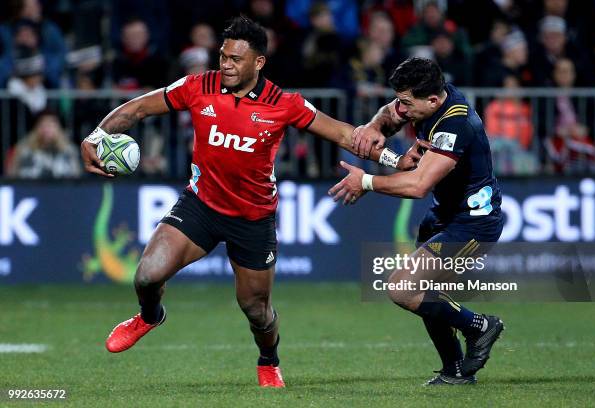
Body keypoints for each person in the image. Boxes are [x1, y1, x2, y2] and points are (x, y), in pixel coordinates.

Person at [80, 16, 415, 388]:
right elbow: (137, 108)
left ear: (258, 62)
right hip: (201, 206)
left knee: (256, 310)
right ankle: (150, 315)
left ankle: (269, 360)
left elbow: (343, 134)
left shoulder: (283, 103)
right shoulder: (197, 86)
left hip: (253, 219)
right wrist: (95, 136)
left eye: (235, 59)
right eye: (223, 56)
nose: (225, 64)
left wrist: (395, 161)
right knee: (146, 276)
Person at [332, 58, 505, 385]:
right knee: (423, 293)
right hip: (442, 214)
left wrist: (366, 182)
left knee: (402, 288)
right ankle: (453, 370)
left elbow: (417, 184)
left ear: (433, 101)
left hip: (474, 223)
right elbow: (389, 114)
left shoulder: (456, 124)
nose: (401, 109)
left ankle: (481, 327)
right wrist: (373, 126)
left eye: (407, 103)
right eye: (400, 99)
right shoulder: (428, 99)